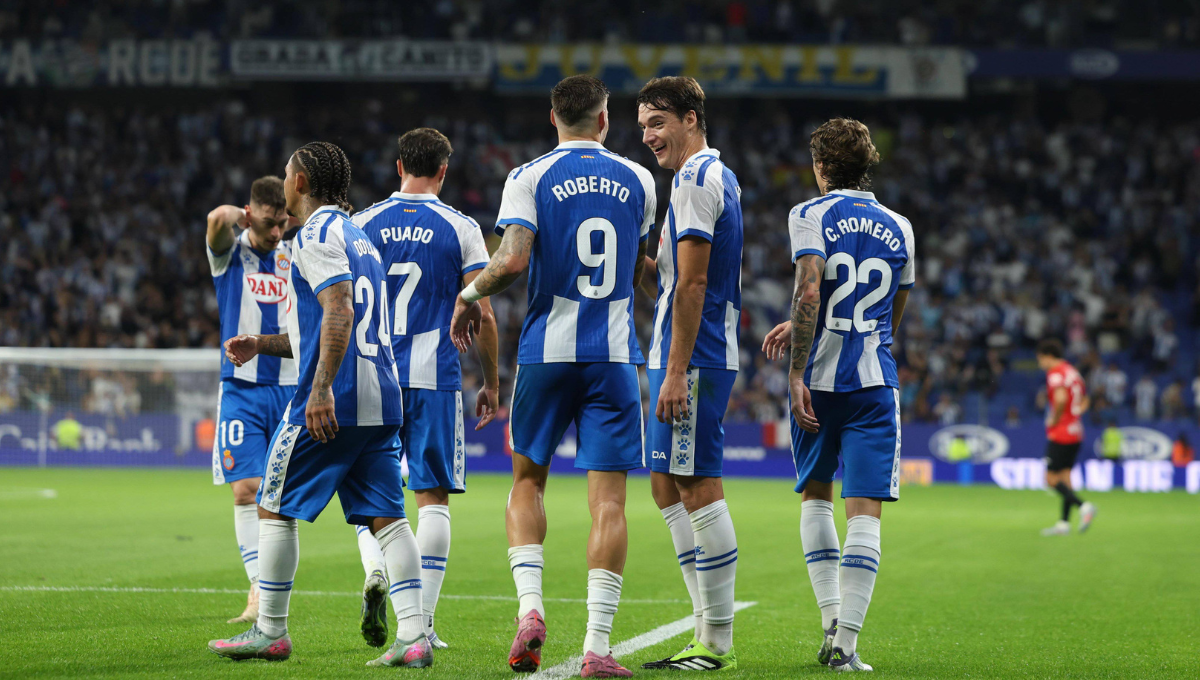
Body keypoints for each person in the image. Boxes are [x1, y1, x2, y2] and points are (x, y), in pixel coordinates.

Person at [449, 75, 655, 678]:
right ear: (605, 119)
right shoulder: (639, 179)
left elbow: (511, 259)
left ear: (552, 118)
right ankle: (595, 647)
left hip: (546, 352)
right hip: (614, 355)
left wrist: (468, 294)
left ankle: (531, 608)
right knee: (609, 501)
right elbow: (643, 267)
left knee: (527, 482)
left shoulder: (529, 177)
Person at [208, 142, 430, 668]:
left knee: (271, 504)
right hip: (382, 398)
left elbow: (339, 310)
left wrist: (321, 388)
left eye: (287, 175)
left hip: (336, 399)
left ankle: (270, 630)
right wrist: (258, 344)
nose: (283, 183)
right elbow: (316, 326)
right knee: (388, 518)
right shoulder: (362, 239)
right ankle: (415, 637)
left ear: (301, 182)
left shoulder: (314, 233)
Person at [761, 117, 914, 672]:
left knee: (817, 499)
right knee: (866, 514)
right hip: (875, 382)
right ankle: (846, 645)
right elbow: (892, 309)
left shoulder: (809, 214)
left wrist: (797, 371)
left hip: (820, 381)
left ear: (821, 166)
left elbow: (810, 286)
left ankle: (830, 622)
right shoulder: (901, 227)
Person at [352, 127, 500, 650]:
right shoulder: (460, 227)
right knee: (432, 498)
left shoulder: (361, 224)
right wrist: (491, 382)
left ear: (398, 167)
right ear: (442, 171)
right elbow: (482, 311)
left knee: (371, 493)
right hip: (433, 378)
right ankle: (425, 624)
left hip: (371, 376)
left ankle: (376, 570)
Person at [635, 76, 744, 672]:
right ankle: (703, 621)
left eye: (658, 122)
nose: (648, 136)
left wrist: (676, 372)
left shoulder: (699, 180)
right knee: (665, 486)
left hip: (694, 356)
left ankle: (715, 638)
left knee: (697, 484)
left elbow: (697, 284)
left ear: (692, 119)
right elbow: (671, 283)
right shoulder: (690, 181)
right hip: (678, 353)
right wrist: (637, 263)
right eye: (643, 125)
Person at [205, 177, 297, 624]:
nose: (277, 232)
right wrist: (243, 218)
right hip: (240, 387)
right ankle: (259, 590)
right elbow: (216, 220)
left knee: (281, 496)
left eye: (282, 222)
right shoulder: (229, 253)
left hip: (290, 384)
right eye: (268, 222)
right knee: (245, 489)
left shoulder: (291, 251)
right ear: (250, 212)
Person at [1035, 338, 1096, 536]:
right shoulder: (1073, 372)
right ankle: (1063, 524)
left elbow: (1060, 399)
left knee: (1050, 479)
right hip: (1076, 430)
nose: (1040, 364)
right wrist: (1075, 413)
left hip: (1061, 431)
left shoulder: (1056, 373)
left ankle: (1084, 506)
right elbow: (1086, 399)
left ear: (1048, 356)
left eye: (1040, 359)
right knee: (1065, 479)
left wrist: (1054, 418)